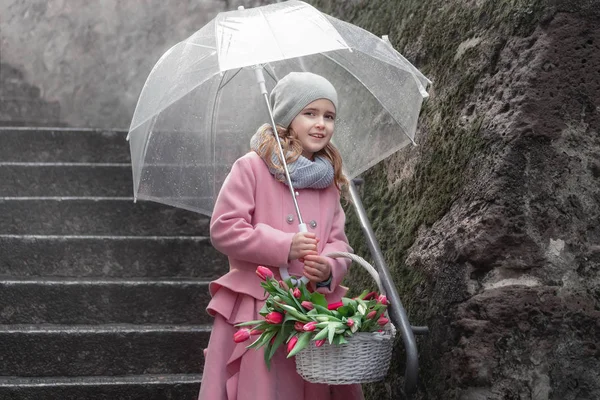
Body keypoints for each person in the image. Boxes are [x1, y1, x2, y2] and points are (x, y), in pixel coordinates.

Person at [198, 72, 364, 400]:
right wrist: (283, 245)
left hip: (312, 308)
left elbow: (338, 241)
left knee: (312, 386)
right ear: (287, 119)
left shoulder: (329, 182)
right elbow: (224, 228)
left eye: (329, 117)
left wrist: (329, 268)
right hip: (259, 305)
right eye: (310, 113)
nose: (321, 124)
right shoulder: (252, 168)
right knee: (263, 385)